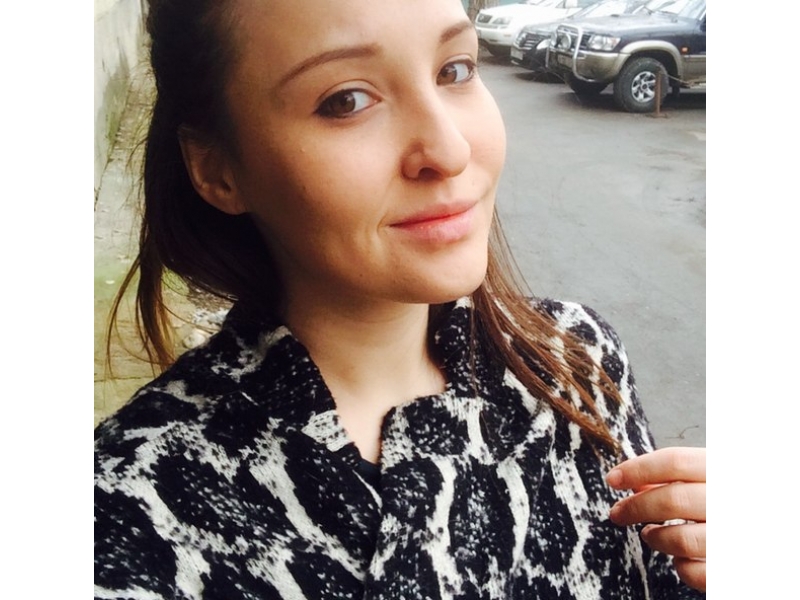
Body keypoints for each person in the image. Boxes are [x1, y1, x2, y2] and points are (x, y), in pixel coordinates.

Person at [94, 0, 706, 597]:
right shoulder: (131, 516)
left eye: (455, 70)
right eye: (346, 100)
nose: (450, 150)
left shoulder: (576, 358)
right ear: (216, 169)